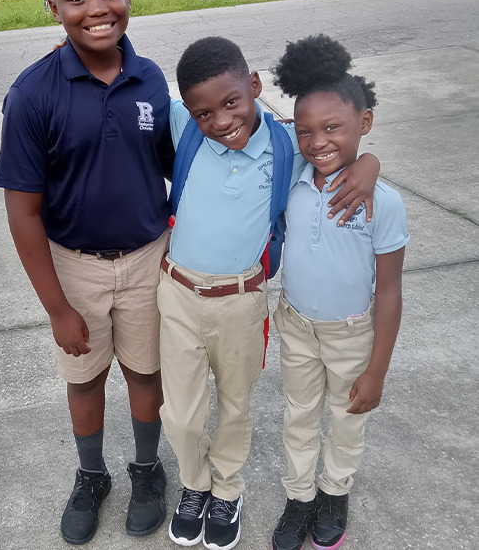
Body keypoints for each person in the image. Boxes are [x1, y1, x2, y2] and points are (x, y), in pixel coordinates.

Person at [159, 37, 380, 550]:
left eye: (232, 102)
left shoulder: (288, 151)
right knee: (182, 412)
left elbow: (339, 155)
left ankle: (227, 490)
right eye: (204, 113)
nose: (219, 120)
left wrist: (371, 164)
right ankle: (195, 484)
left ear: (254, 86)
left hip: (242, 299)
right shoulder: (181, 124)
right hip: (177, 293)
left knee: (235, 404)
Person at [0, 0, 174, 545]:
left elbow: (187, 163)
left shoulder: (151, 82)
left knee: (146, 372)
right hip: (75, 266)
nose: (97, 8)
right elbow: (23, 214)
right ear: (53, 6)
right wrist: (57, 308)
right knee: (85, 377)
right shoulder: (32, 94)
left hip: (151, 257)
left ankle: (147, 469)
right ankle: (91, 474)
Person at [269, 34, 409, 550]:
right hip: (296, 324)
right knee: (298, 415)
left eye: (333, 128)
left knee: (347, 419)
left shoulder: (384, 202)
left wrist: (377, 368)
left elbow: (390, 290)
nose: (317, 141)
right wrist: (364, 158)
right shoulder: (293, 184)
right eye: (305, 131)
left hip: (353, 332)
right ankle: (299, 495)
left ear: (364, 124)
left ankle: (334, 491)